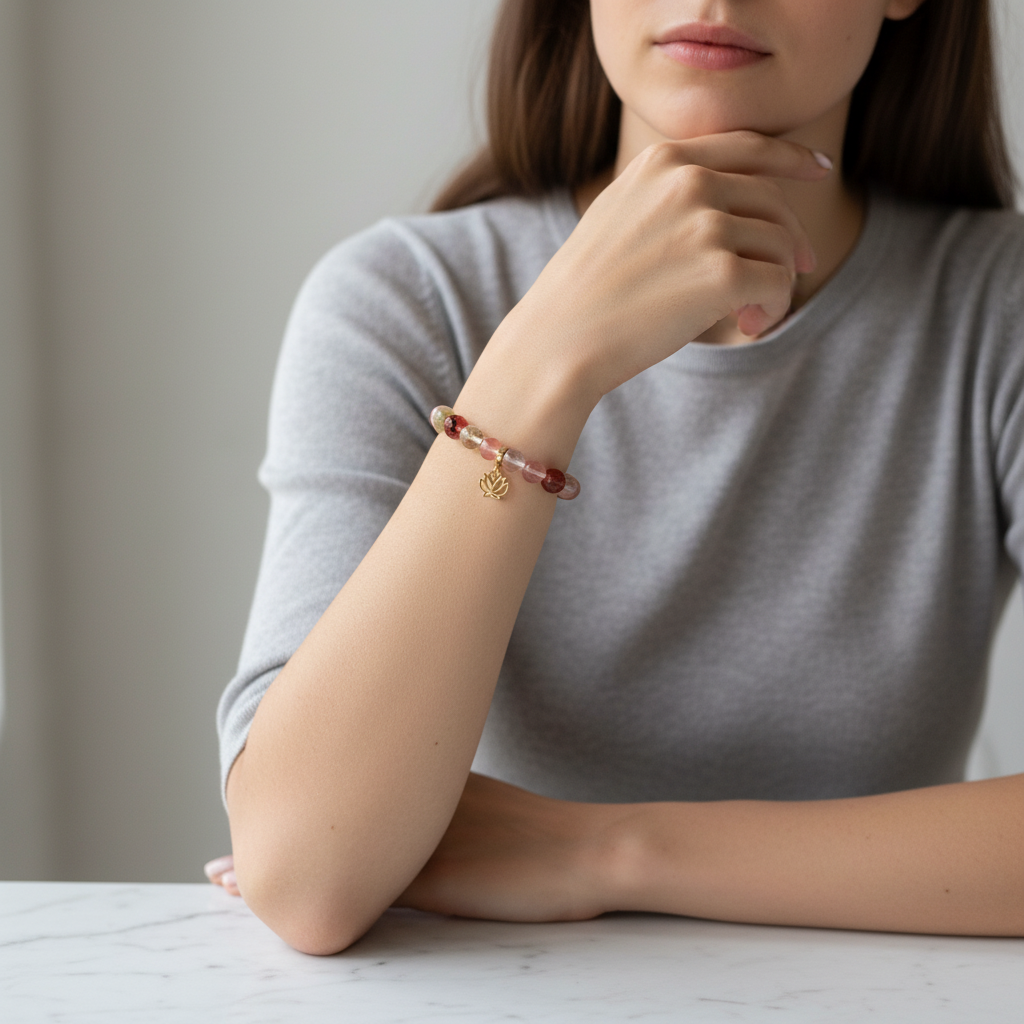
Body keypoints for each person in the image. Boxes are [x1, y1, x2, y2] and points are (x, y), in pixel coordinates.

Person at [206, 0, 1024, 954]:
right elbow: (307, 872)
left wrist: (605, 850)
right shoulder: (405, 303)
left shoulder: (997, 313)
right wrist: (547, 361)